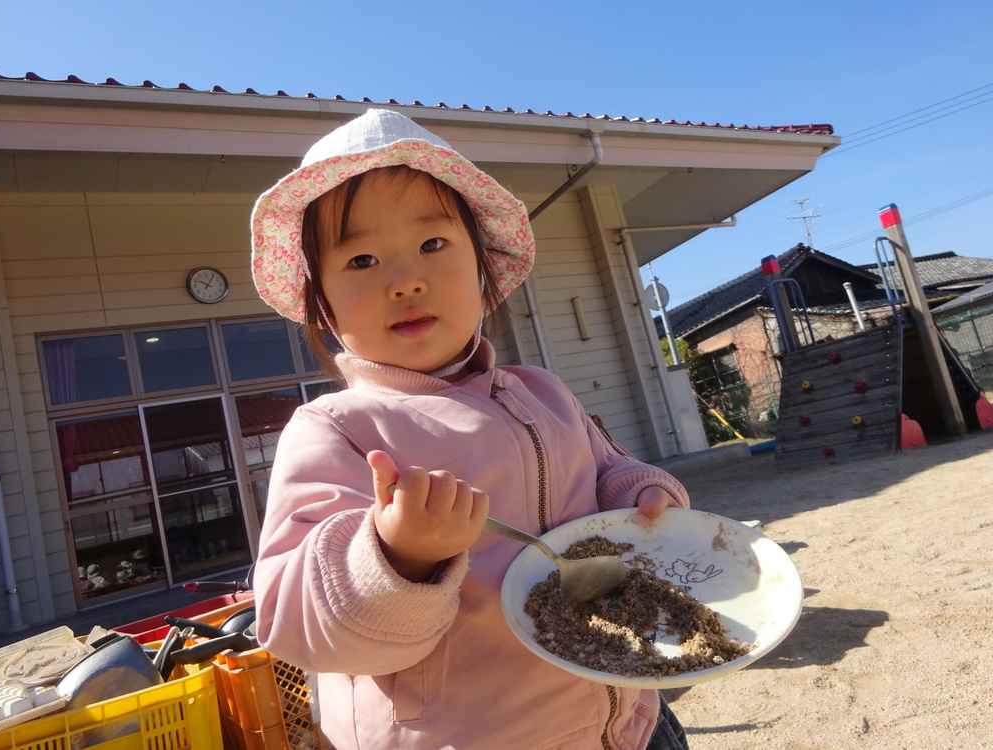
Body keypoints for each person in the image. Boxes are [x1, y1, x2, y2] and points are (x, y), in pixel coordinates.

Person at [251, 108, 691, 750]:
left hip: (625, 712)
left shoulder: (542, 392)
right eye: (363, 260)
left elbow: (607, 470)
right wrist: (398, 554)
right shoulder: (336, 431)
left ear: (484, 269)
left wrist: (640, 498)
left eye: (433, 245)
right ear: (322, 304)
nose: (406, 281)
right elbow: (292, 621)